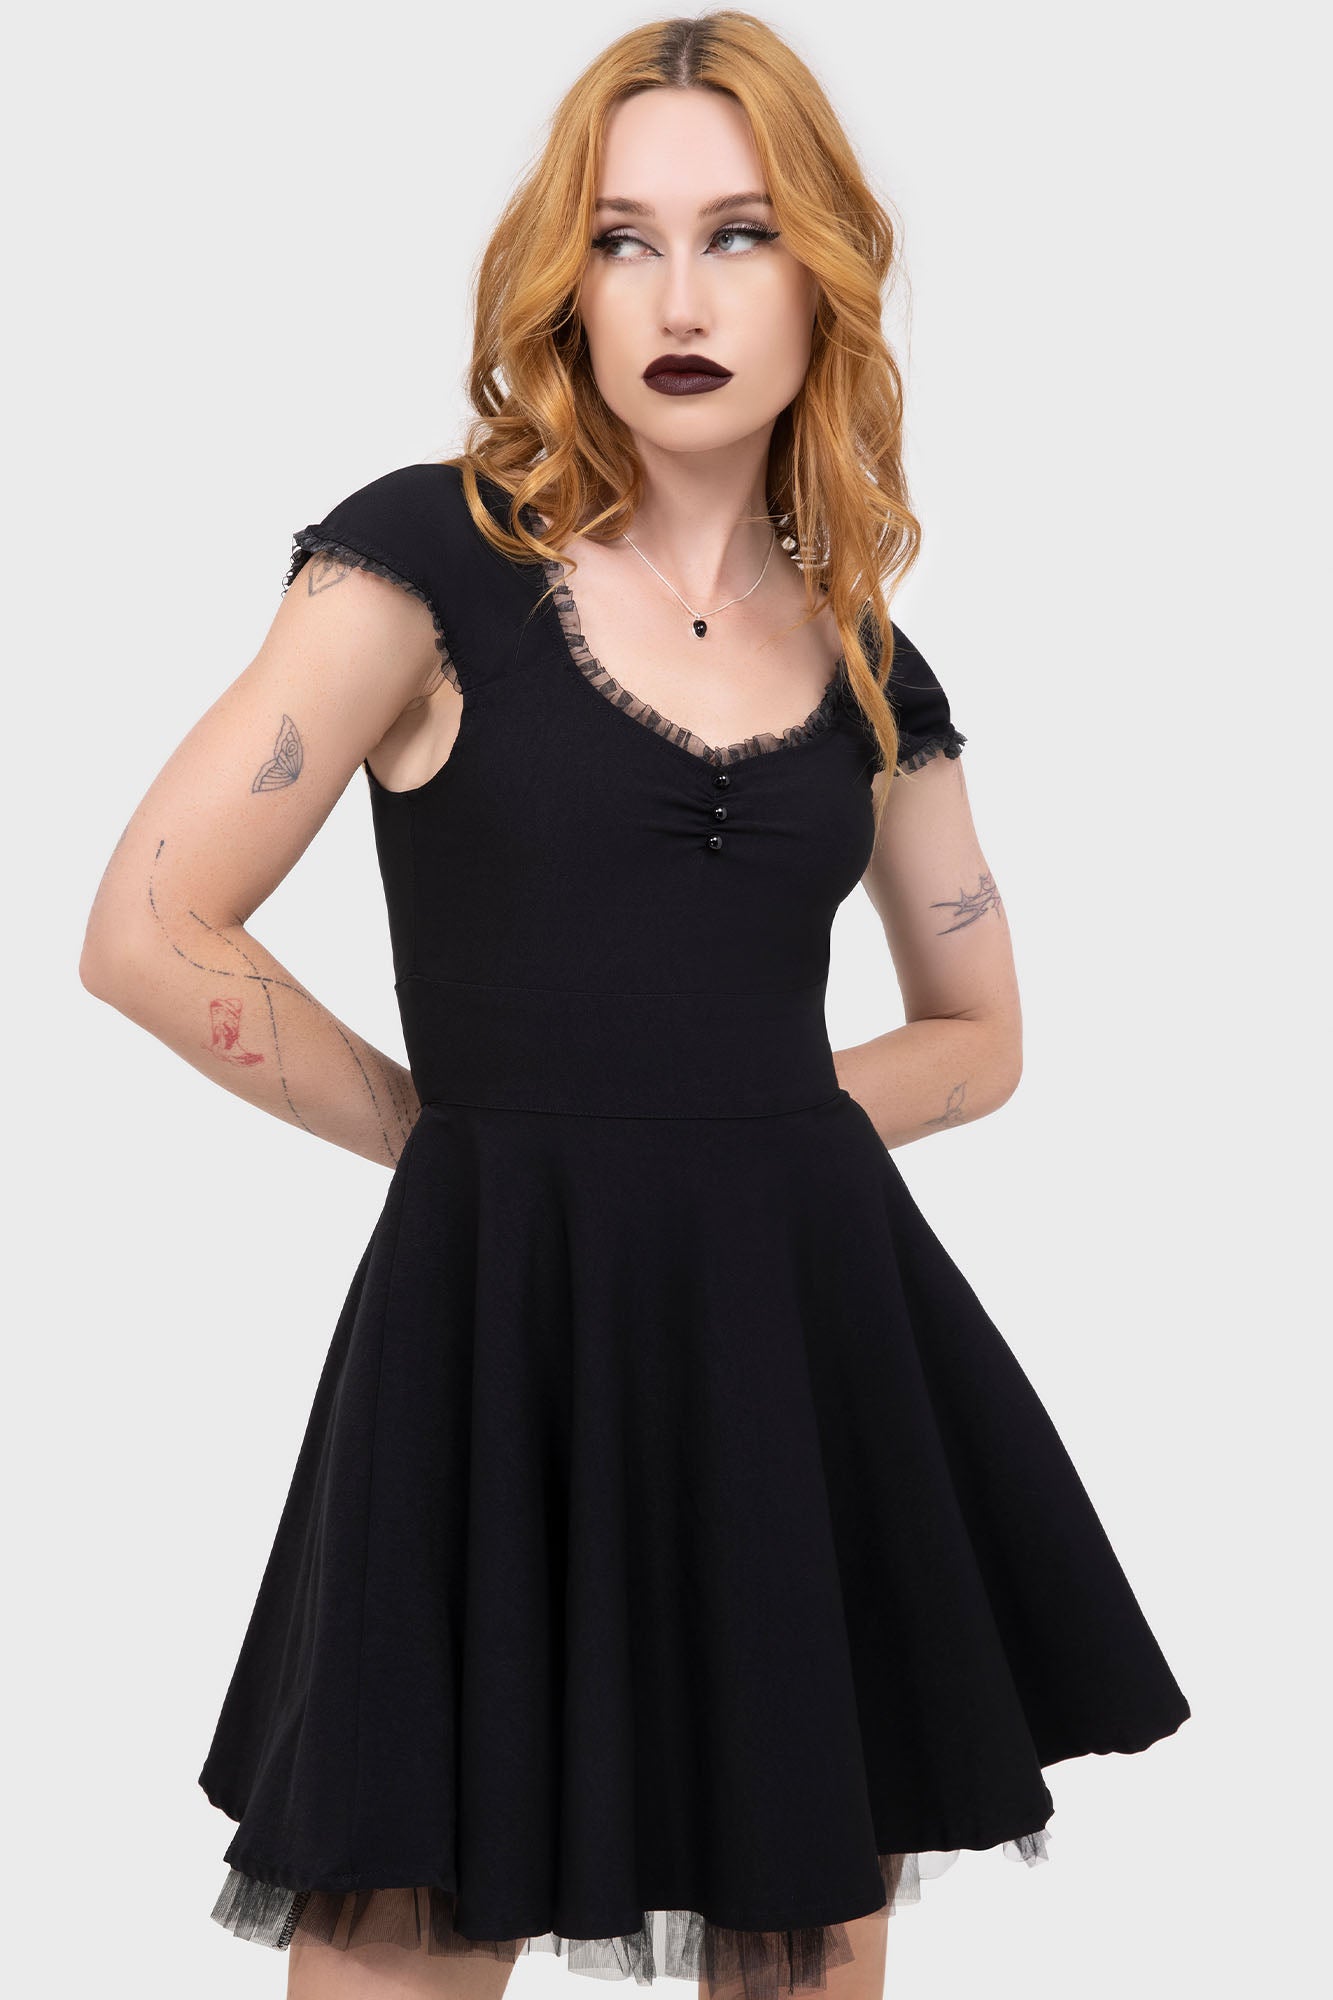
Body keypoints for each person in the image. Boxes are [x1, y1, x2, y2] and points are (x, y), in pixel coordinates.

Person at [78, 14, 1190, 2000]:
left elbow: (979, 1033)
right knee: (406, 1912)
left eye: (739, 235)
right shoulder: (423, 561)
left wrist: (743, 1136)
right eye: (623, 239)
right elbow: (152, 926)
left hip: (798, 1336)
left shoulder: (870, 660)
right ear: (563, 281)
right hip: (494, 1325)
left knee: (799, 1930)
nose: (680, 299)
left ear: (821, 277)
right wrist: (461, 1140)